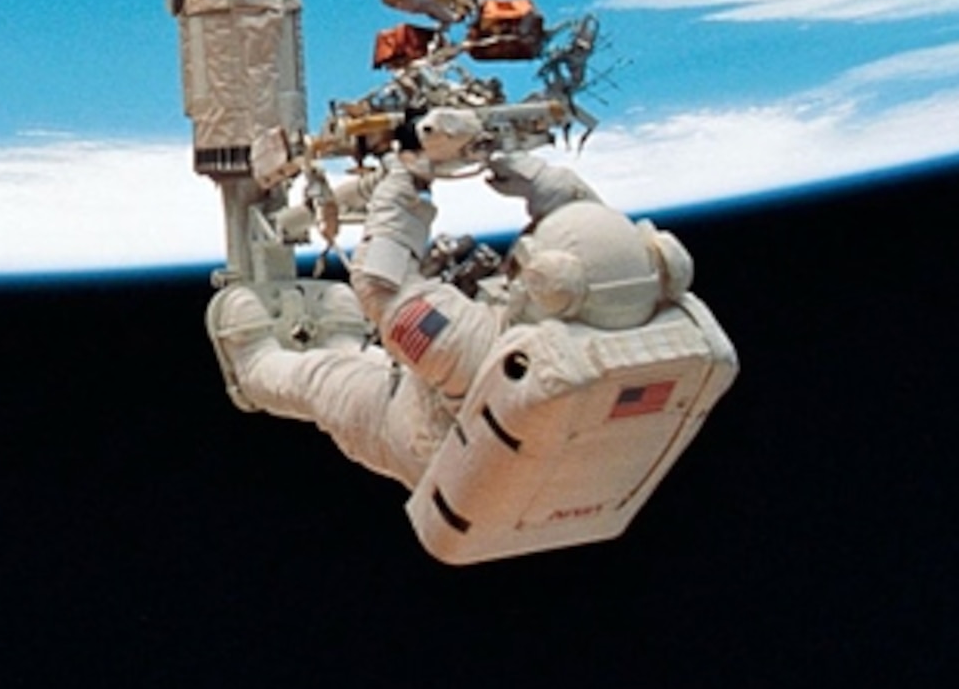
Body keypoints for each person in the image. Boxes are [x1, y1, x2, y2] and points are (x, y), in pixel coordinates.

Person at [208, 123, 705, 493]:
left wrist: (403, 186)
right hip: (539, 452)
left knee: (326, 383)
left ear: (549, 281)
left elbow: (381, 289)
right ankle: (342, 345)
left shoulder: (481, 350)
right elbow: (595, 231)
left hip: (418, 440)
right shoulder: (644, 297)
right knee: (359, 350)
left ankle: (254, 370)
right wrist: (540, 180)